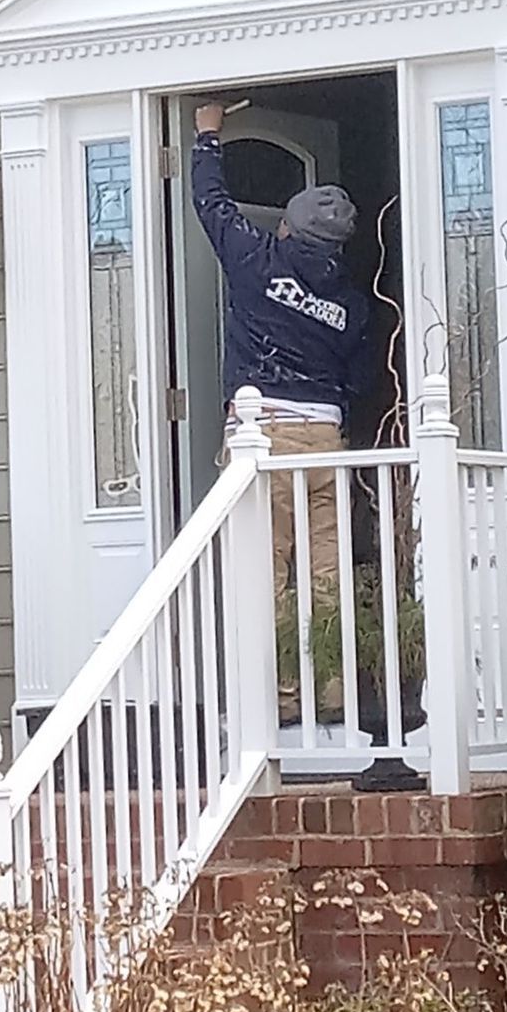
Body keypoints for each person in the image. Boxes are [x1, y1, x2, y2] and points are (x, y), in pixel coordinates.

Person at [191, 101, 370, 713]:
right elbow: (359, 373)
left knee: (264, 568)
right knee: (325, 573)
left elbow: (212, 206)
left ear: (288, 228)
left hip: (264, 437)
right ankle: (333, 688)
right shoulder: (350, 302)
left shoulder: (257, 261)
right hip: (325, 442)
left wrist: (208, 137)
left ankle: (278, 695)